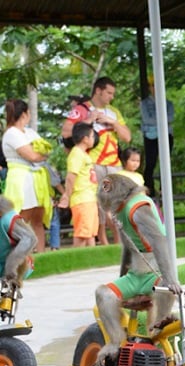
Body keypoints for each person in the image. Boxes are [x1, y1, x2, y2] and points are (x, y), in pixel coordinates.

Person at [61, 76, 131, 244]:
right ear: (98, 91)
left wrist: (113, 122)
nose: (111, 97)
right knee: (98, 206)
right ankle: (104, 241)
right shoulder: (81, 109)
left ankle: (119, 241)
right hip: (93, 163)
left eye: (113, 94)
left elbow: (127, 137)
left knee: (117, 204)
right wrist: (89, 120)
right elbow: (66, 132)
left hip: (114, 163)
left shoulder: (114, 111)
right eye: (109, 93)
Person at [1, 99, 53, 252]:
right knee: (22, 219)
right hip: (20, 178)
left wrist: (41, 154)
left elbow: (45, 149)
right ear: (25, 113)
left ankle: (41, 254)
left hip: (37, 179)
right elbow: (33, 155)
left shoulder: (30, 132)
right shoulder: (11, 133)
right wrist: (41, 155)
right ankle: (19, 258)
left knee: (38, 219)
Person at [58, 122, 98, 247]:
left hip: (90, 198)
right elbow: (71, 177)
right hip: (81, 199)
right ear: (85, 139)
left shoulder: (84, 154)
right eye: (92, 136)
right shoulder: (76, 154)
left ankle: (93, 261)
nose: (94, 139)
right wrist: (67, 195)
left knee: (90, 234)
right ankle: (77, 260)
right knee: (82, 234)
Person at [140, 74, 174, 197]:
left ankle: (165, 190)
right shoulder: (144, 103)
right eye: (154, 85)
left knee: (166, 163)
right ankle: (150, 192)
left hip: (166, 135)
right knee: (150, 163)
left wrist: (158, 120)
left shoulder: (169, 103)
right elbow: (146, 119)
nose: (157, 88)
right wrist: (162, 120)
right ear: (150, 87)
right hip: (150, 136)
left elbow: (171, 118)